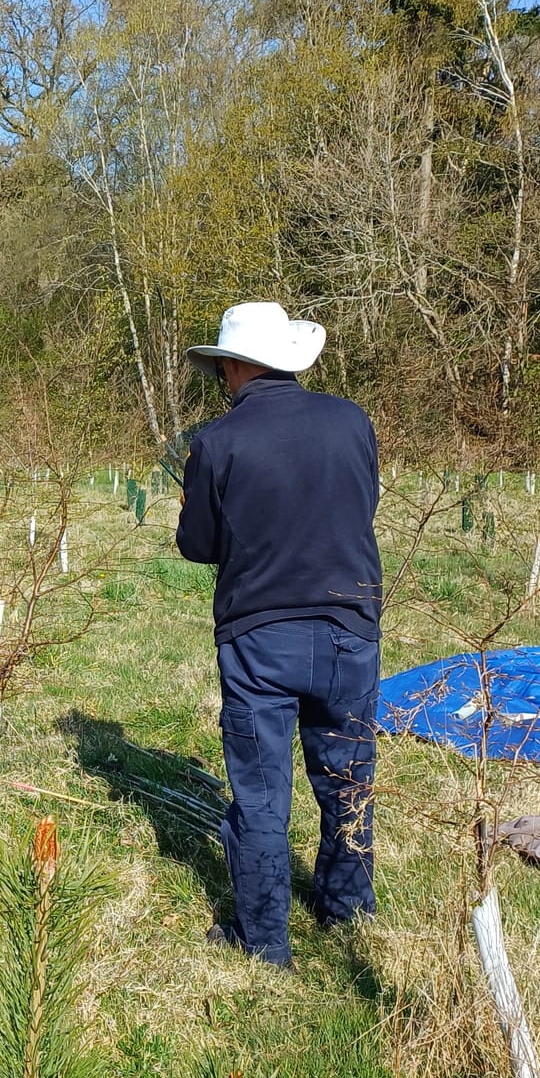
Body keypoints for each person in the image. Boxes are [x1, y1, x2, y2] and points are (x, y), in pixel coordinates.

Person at [175, 302, 383, 968]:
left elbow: (197, 544)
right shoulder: (352, 421)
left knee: (263, 793)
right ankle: (347, 910)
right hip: (351, 625)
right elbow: (363, 504)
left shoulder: (217, 441)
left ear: (234, 366)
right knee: (349, 777)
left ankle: (264, 941)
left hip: (260, 635)